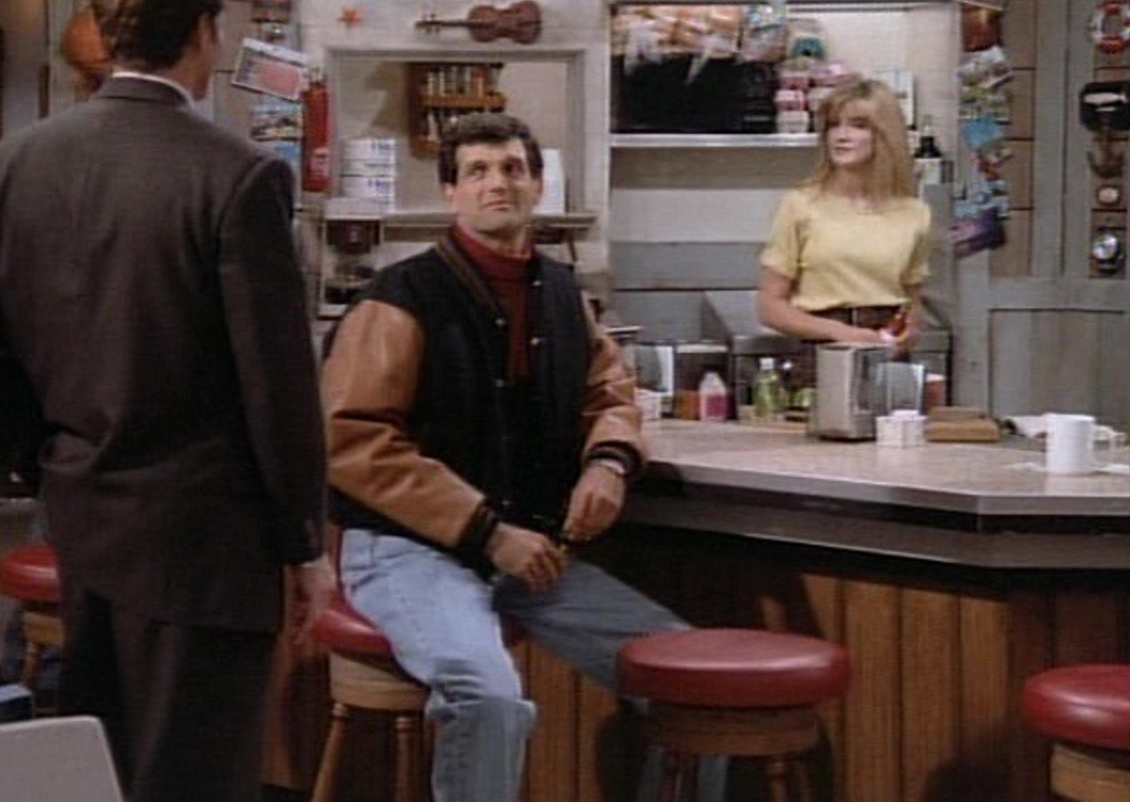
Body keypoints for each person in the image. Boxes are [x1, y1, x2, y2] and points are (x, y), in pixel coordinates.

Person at [0, 0, 335, 802]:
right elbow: (277, 389)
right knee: (196, 779)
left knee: (102, 770)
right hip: (208, 548)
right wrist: (305, 544)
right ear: (203, 30)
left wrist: (41, 462)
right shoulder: (238, 177)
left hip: (83, 523)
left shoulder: (15, 163)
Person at [321, 111, 724, 802]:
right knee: (491, 700)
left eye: (512, 169)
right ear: (451, 193)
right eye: (476, 172)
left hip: (525, 556)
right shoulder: (400, 297)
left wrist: (608, 463)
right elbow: (353, 437)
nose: (497, 184)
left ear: (538, 185)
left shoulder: (562, 292)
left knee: (692, 686)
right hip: (407, 552)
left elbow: (609, 393)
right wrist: (486, 530)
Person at [0, 6, 113, 703]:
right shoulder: (202, 166)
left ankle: (28, 683)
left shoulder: (22, 164)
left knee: (62, 567)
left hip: (60, 430)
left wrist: (23, 446)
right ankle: (39, 683)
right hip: (129, 443)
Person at [756, 77, 932, 387]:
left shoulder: (914, 213)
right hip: (822, 354)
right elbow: (770, 307)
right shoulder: (801, 205)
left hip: (887, 355)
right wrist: (844, 334)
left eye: (858, 126)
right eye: (834, 125)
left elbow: (912, 300)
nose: (842, 136)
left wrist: (908, 331)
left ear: (884, 136)